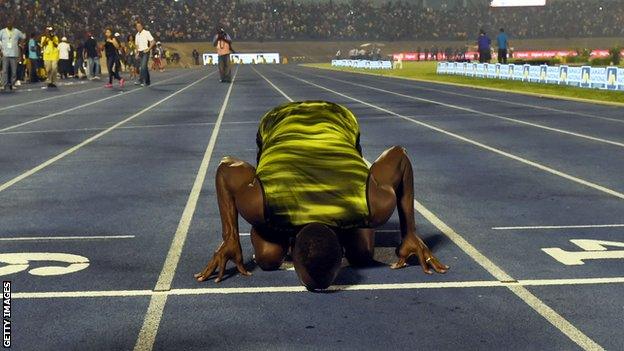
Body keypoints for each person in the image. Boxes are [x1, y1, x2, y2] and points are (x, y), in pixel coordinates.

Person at [195, 101, 448, 290]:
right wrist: (409, 232)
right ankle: (335, 226)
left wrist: (410, 235)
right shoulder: (260, 203)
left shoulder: (375, 205)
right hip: (280, 121)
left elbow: (226, 168)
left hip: (339, 123)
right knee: (268, 257)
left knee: (356, 254)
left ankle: (308, 227)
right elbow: (226, 169)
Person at [0, 18, 26, 91]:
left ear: (12, 24)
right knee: (4, 70)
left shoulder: (17, 31)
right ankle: (4, 84)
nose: (9, 24)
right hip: (5, 54)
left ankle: (12, 84)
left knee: (14, 70)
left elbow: (23, 37)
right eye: (8, 23)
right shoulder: (2, 32)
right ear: (6, 24)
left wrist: (21, 42)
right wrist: (0, 49)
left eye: (11, 23)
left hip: (14, 54)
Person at [135, 21, 154, 87]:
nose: (138, 28)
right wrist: (137, 53)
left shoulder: (146, 32)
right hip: (140, 52)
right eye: (137, 27)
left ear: (142, 26)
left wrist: (149, 48)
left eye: (139, 26)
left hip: (145, 52)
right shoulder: (137, 35)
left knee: (143, 67)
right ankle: (147, 81)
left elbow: (153, 41)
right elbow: (137, 45)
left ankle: (141, 80)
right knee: (144, 67)